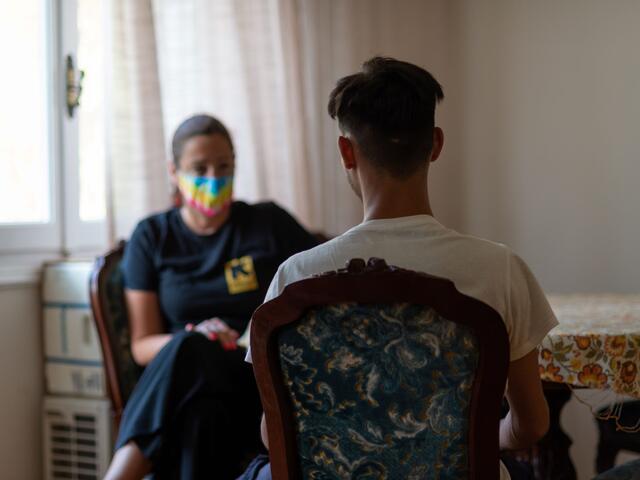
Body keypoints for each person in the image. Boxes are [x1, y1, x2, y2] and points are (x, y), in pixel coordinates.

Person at [242, 57, 557, 480]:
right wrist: (480, 438)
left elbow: (273, 433)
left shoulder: (295, 278)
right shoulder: (500, 269)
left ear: (346, 151)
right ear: (436, 144)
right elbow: (531, 424)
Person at [104, 114, 319, 480]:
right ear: (174, 172)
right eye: (199, 167)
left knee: (192, 364)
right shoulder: (152, 237)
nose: (214, 177)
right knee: (195, 389)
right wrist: (196, 338)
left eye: (224, 166)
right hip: (186, 381)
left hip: (254, 379)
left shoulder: (269, 224)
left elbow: (322, 294)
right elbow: (141, 345)